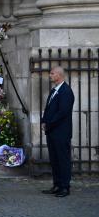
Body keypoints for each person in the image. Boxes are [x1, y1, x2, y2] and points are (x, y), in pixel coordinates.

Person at [40, 66, 75, 197]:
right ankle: (57, 185)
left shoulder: (66, 91)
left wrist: (49, 123)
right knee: (54, 160)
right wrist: (44, 121)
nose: (50, 75)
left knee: (63, 160)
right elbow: (49, 108)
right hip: (52, 131)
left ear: (59, 75)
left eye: (52, 73)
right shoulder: (54, 90)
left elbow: (62, 113)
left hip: (61, 132)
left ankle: (65, 187)